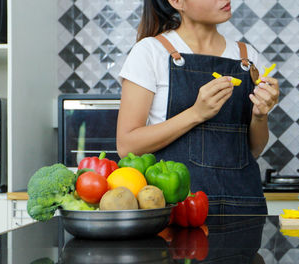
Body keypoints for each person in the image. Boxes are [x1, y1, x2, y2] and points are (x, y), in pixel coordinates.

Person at [116, 0, 279, 214]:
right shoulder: (150, 52)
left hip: (243, 206)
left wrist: (259, 116)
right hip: (175, 208)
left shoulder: (248, 58)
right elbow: (127, 146)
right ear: (177, 2)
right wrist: (196, 113)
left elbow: (254, 150)